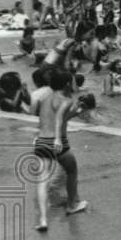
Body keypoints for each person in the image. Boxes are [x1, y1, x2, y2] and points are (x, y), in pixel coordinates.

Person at [32, 70, 88, 230]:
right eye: (71, 82)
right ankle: (72, 205)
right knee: (72, 170)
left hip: (41, 141)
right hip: (57, 142)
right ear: (67, 84)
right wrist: (57, 139)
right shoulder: (66, 99)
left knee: (42, 181)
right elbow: (58, 120)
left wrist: (75, 113)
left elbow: (57, 117)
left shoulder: (45, 99)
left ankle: (43, 220)